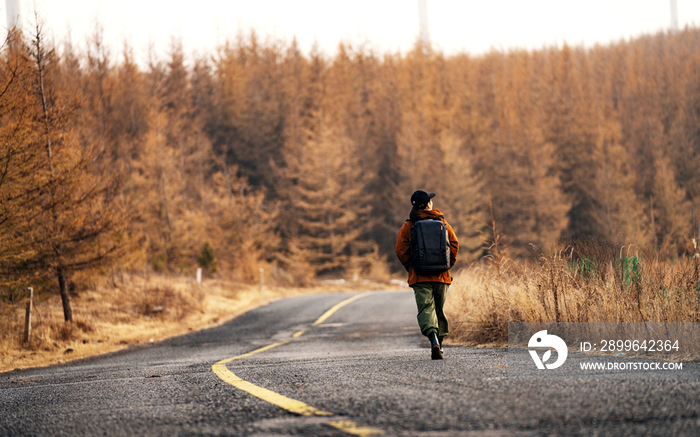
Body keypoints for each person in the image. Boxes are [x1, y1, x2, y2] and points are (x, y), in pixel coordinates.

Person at [395, 190, 459, 360]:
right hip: (441, 276)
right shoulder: (442, 222)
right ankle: (441, 343)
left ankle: (433, 340)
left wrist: (412, 266)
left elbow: (401, 250)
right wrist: (446, 265)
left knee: (426, 308)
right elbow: (454, 244)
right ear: (428, 205)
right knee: (439, 309)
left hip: (420, 276)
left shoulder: (408, 226)